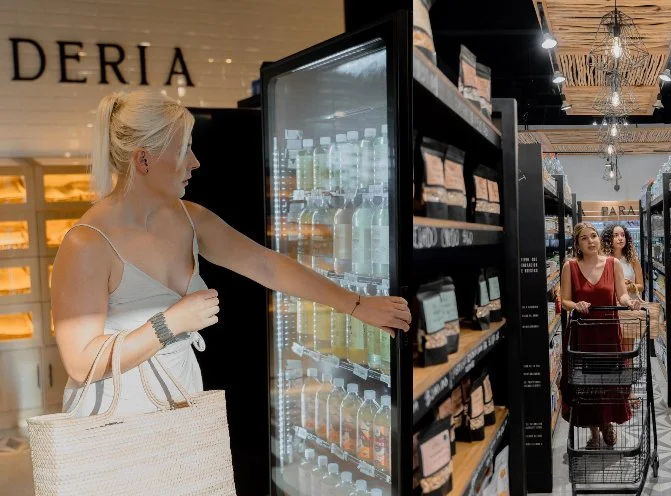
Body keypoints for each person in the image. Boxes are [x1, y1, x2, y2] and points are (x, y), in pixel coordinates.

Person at [53, 90, 412, 417]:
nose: (195, 162)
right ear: (144, 160)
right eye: (184, 150)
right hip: (117, 425)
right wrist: (170, 324)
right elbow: (81, 363)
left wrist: (357, 305)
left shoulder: (190, 218)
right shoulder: (87, 243)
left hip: (182, 404)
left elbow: (266, 265)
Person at [559, 222, 642, 448]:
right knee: (584, 386)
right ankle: (594, 433)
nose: (591, 241)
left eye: (593, 236)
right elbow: (564, 301)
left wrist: (630, 302)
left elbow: (621, 295)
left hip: (607, 333)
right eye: (584, 238)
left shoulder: (613, 264)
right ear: (577, 244)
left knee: (608, 382)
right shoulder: (570, 267)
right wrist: (576, 304)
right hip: (582, 336)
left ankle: (607, 424)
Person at [601, 223, 643, 298]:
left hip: (631, 305)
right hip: (612, 303)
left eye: (623, 235)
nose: (620, 238)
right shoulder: (603, 260)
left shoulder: (633, 260)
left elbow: (641, 287)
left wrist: (629, 287)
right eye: (616, 235)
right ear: (608, 239)